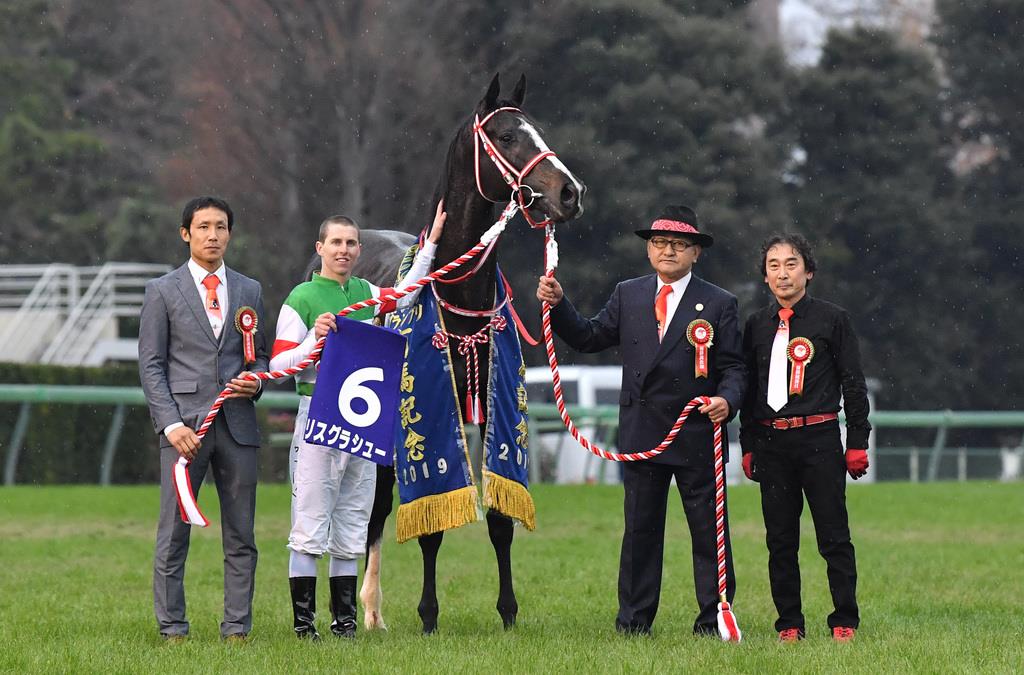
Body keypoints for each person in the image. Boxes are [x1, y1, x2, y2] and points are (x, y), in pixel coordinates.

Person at [536, 205, 746, 636]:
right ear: (649, 250)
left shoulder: (721, 303)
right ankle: (633, 623)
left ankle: (714, 619)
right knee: (640, 534)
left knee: (709, 534)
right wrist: (560, 306)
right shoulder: (627, 293)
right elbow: (591, 336)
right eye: (659, 243)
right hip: (641, 432)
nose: (667, 251)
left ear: (695, 253)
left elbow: (735, 368)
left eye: (678, 245)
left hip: (697, 433)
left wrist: (726, 401)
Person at [269, 202, 445, 639]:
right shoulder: (301, 298)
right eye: (336, 243)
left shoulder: (365, 291)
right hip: (319, 417)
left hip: (363, 422)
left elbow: (407, 291)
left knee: (353, 518)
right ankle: (303, 626)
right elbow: (278, 364)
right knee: (310, 519)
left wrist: (434, 241)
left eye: (350, 243)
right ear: (321, 248)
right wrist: (315, 338)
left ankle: (344, 623)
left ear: (358, 249)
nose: (343, 250)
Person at [139, 196, 268, 643]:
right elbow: (151, 365)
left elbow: (259, 356)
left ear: (230, 233)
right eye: (203, 227)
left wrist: (256, 381)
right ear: (185, 234)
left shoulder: (249, 290)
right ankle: (173, 628)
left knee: (242, 535)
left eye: (221, 227)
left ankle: (237, 629)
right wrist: (171, 425)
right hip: (184, 431)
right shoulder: (162, 291)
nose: (212, 235)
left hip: (238, 426)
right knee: (174, 534)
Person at [739, 233, 870, 643]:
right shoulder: (756, 325)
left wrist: (858, 441)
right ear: (765, 276)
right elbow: (747, 388)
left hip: (820, 440)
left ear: (808, 272)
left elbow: (853, 383)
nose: (783, 273)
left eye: (791, 264)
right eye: (774, 265)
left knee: (833, 535)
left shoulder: (833, 320)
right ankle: (789, 623)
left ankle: (844, 619)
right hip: (772, 443)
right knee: (780, 539)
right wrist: (746, 444)